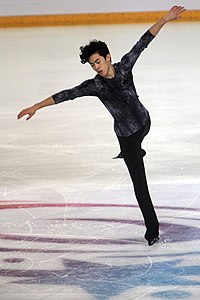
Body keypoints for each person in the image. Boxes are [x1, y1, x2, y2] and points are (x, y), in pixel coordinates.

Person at [17, 6, 186, 246]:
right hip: (126, 137)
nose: (96, 67)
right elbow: (66, 94)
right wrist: (36, 105)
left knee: (140, 137)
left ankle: (138, 149)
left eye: (97, 61)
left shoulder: (125, 66)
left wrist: (165, 19)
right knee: (140, 185)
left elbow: (144, 41)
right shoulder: (95, 86)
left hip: (144, 122)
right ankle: (152, 231)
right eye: (91, 64)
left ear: (107, 57)